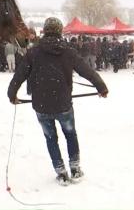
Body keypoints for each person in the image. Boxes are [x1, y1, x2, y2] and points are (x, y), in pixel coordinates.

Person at [7, 17, 108, 185]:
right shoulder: (68, 51)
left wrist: (12, 94)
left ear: (45, 31)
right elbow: (86, 70)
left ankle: (61, 172)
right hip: (63, 104)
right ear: (60, 31)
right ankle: (75, 169)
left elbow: (19, 75)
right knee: (70, 135)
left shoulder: (34, 52)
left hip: (41, 105)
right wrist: (101, 86)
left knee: (51, 138)